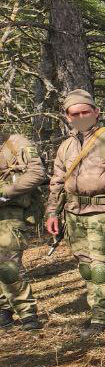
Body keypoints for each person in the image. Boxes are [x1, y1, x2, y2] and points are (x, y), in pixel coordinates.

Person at [45, 90, 105, 337]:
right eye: (74, 113)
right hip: (74, 213)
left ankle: (101, 317)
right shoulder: (66, 146)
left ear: (96, 112)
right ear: (67, 117)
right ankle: (96, 308)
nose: (81, 116)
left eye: (85, 111)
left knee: (101, 267)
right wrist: (52, 213)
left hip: (103, 212)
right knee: (86, 267)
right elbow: (56, 182)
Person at [0, 126, 48, 330]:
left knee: (8, 266)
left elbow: (37, 172)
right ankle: (4, 311)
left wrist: (7, 191)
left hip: (10, 212)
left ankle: (28, 315)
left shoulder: (17, 143)